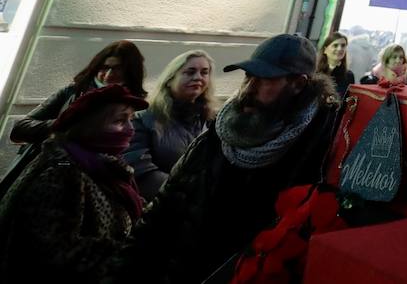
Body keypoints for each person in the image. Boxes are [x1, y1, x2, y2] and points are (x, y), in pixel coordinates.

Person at [108, 34, 341, 284]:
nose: (248, 88)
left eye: (265, 80)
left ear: (298, 84)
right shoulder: (221, 132)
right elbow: (165, 209)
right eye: (248, 76)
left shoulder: (320, 147)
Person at [0, 84, 147, 278]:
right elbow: (53, 253)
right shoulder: (62, 173)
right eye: (120, 120)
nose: (130, 129)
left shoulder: (104, 166)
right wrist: (132, 255)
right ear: (91, 125)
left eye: (130, 119)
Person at [9, 40, 146, 146]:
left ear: (130, 72)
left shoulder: (137, 105)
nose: (109, 75)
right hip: (56, 167)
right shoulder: (72, 91)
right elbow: (20, 128)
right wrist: (63, 124)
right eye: (104, 67)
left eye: (117, 69)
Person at [125, 50, 215, 200]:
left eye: (204, 72)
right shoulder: (143, 120)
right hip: (161, 210)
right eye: (190, 72)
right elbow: (141, 172)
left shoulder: (212, 121)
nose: (198, 77)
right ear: (169, 79)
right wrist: (190, 195)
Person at [317, 32, 355, 97]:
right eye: (335, 45)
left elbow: (347, 101)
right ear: (325, 49)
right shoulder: (314, 70)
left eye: (343, 46)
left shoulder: (349, 76)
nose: (340, 49)